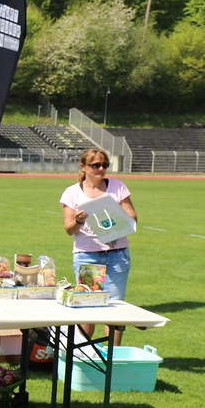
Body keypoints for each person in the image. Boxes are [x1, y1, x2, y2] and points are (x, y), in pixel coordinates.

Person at [60, 147, 137, 346]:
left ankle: (113, 355)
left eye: (104, 165)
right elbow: (69, 229)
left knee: (116, 309)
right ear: (83, 167)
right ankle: (82, 352)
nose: (101, 169)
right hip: (88, 255)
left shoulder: (117, 187)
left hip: (117, 255)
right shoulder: (72, 192)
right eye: (96, 165)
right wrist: (78, 221)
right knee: (88, 308)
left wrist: (116, 213)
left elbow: (133, 216)